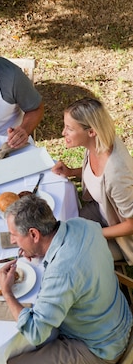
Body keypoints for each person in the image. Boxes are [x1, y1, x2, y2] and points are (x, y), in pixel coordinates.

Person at [0, 194, 133, 364]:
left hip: (100, 345)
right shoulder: (82, 225)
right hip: (116, 313)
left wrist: (7, 293)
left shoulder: (63, 273)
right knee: (23, 343)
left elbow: (36, 330)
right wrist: (37, 254)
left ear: (35, 234)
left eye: (15, 235)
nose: (13, 240)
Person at [52, 97, 133, 264]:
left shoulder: (117, 173)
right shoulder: (96, 144)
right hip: (101, 213)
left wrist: (94, 232)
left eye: (69, 129)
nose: (63, 133)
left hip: (122, 239)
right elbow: (98, 180)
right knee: (57, 230)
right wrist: (72, 172)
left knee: (70, 255)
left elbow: (131, 225)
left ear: (91, 131)